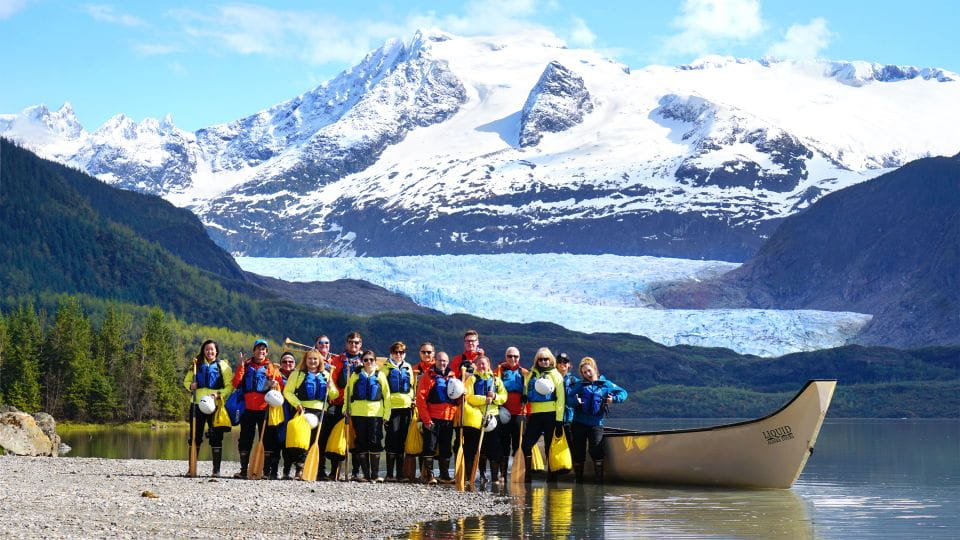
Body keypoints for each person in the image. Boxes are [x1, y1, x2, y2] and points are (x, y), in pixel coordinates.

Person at [567, 357, 627, 483]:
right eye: (584, 372)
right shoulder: (580, 385)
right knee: (578, 452)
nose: (587, 374)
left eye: (589, 371)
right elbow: (568, 398)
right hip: (579, 423)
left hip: (596, 425)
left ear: (594, 369)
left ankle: (599, 481)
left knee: (596, 450)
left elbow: (623, 393)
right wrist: (574, 401)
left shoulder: (606, 384)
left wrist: (614, 399)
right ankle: (579, 480)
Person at [283, 348, 339, 480]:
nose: (313, 361)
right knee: (304, 441)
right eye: (310, 359)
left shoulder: (326, 374)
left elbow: (334, 395)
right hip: (304, 410)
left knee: (319, 441)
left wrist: (330, 387)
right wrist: (297, 404)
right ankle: (300, 469)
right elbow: (288, 392)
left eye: (315, 359)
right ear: (305, 360)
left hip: (321, 411)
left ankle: (320, 471)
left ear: (319, 360)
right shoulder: (297, 374)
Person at [231, 339, 283, 479]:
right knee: (245, 439)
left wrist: (275, 384)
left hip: (264, 409)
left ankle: (265, 471)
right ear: (254, 351)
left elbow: (280, 387)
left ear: (266, 352)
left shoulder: (271, 368)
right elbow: (236, 383)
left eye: (263, 349)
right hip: (247, 409)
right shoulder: (246, 365)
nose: (261, 351)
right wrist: (241, 366)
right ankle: (243, 470)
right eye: (258, 349)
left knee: (267, 440)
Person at [182, 340, 234, 477]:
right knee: (195, 436)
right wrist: (190, 386)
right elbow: (186, 381)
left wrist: (218, 394)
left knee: (216, 437)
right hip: (197, 404)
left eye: (212, 349)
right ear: (203, 351)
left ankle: (216, 470)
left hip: (215, 406)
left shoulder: (224, 366)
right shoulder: (196, 364)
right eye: (207, 349)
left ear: (216, 351)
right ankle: (191, 468)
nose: (209, 352)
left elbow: (230, 386)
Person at [319, 331, 364, 481]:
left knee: (357, 438)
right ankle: (332, 471)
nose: (353, 345)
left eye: (356, 342)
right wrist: (339, 397)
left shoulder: (366, 361)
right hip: (338, 404)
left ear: (360, 344)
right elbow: (332, 381)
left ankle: (356, 472)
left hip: (357, 406)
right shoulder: (337, 360)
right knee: (332, 437)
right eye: (351, 342)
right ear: (347, 344)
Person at [345, 349, 391, 482]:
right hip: (358, 413)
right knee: (361, 442)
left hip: (375, 413)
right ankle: (366, 474)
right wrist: (345, 409)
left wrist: (386, 414)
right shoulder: (355, 375)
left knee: (375, 442)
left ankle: (375, 475)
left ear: (375, 361)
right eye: (366, 360)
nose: (368, 362)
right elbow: (348, 395)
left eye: (371, 360)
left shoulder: (380, 375)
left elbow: (387, 397)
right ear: (362, 361)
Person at [521, 347, 566, 482]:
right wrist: (524, 396)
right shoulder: (531, 374)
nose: (544, 362)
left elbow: (561, 399)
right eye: (541, 359)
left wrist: (559, 421)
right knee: (526, 445)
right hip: (535, 415)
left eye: (546, 359)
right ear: (537, 360)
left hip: (551, 415)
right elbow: (526, 387)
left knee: (549, 447)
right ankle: (527, 474)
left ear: (550, 360)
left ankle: (552, 477)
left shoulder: (556, 374)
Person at [463, 355, 507, 484]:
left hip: (493, 416)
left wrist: (494, 397)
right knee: (477, 447)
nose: (482, 366)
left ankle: (494, 477)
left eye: (484, 364)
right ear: (476, 365)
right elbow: (469, 397)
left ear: (488, 365)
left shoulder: (496, 380)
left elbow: (504, 397)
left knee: (494, 447)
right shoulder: (471, 379)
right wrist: (484, 399)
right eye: (480, 364)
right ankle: (480, 475)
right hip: (477, 416)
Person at [415, 350, 457, 484]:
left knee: (446, 447)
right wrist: (426, 419)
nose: (442, 363)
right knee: (430, 447)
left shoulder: (453, 377)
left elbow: (457, 398)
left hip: (448, 419)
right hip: (432, 418)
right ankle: (429, 474)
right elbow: (420, 400)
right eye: (439, 360)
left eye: (444, 360)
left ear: (448, 362)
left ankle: (444, 475)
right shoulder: (427, 377)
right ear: (435, 361)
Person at [383, 341, 415, 482]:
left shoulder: (408, 367)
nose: (398, 355)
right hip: (392, 409)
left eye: (401, 352)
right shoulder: (385, 369)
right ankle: (389, 473)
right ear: (391, 353)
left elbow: (412, 386)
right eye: (396, 352)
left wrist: (412, 398)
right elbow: (382, 389)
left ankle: (400, 474)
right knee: (392, 439)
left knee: (402, 439)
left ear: (404, 354)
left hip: (406, 408)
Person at [496, 346, 527, 481]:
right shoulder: (498, 371)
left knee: (518, 444)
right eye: (510, 356)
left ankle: (517, 473)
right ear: (506, 357)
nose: (513, 359)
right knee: (503, 444)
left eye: (515, 356)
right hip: (504, 413)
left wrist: (527, 411)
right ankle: (502, 474)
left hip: (520, 413)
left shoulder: (525, 373)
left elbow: (530, 392)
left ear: (519, 358)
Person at [265, 351, 297, 480]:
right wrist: (269, 384)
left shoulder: (298, 376)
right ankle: (272, 471)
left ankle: (287, 471)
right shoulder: (274, 374)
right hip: (276, 411)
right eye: (284, 361)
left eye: (291, 362)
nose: (287, 364)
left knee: (288, 443)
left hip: (292, 411)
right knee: (275, 441)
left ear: (294, 364)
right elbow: (262, 387)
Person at [556, 352, 577, 448]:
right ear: (556, 364)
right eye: (560, 361)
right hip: (555, 419)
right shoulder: (550, 379)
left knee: (572, 446)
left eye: (565, 361)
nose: (562, 363)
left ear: (569, 364)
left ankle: (572, 463)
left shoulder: (574, 381)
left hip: (570, 419)